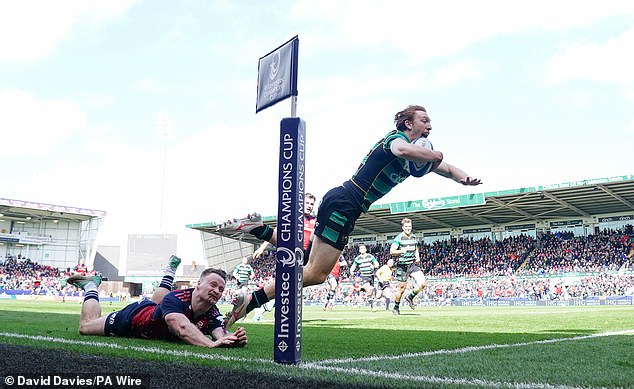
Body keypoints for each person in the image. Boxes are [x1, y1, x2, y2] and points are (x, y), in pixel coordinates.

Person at [222, 104, 481, 329]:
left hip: (342, 201)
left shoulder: (416, 155)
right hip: (347, 203)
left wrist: (463, 178)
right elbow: (403, 151)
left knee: (301, 254)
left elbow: (444, 169)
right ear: (408, 123)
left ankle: (256, 233)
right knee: (315, 274)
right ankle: (254, 299)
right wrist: (437, 155)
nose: (430, 127)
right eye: (425, 121)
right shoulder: (394, 139)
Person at [66, 255, 247, 348]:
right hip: (132, 319)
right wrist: (210, 344)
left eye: (221, 289)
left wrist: (230, 339)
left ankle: (169, 270)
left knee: (159, 304)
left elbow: (218, 333)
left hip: (156, 312)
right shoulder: (176, 297)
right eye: (213, 285)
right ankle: (91, 286)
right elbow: (182, 327)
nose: (217, 291)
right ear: (198, 284)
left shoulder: (213, 312)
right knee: (86, 327)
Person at [390, 218, 425, 315]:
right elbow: (392, 251)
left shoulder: (414, 237)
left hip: (412, 264)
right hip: (402, 266)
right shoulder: (398, 238)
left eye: (409, 226)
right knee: (401, 289)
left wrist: (417, 257)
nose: (408, 228)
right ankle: (396, 307)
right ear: (403, 228)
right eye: (406, 227)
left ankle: (410, 297)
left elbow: (416, 248)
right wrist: (401, 251)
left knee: (422, 283)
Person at [349, 244, 380, 310]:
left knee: (371, 292)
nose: (363, 249)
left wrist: (373, 266)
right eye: (361, 248)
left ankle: (369, 300)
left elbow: (377, 264)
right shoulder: (357, 258)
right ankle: (372, 306)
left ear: (366, 249)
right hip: (364, 276)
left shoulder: (370, 256)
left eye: (364, 248)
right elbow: (353, 267)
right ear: (359, 250)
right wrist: (351, 271)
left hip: (371, 276)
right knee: (368, 289)